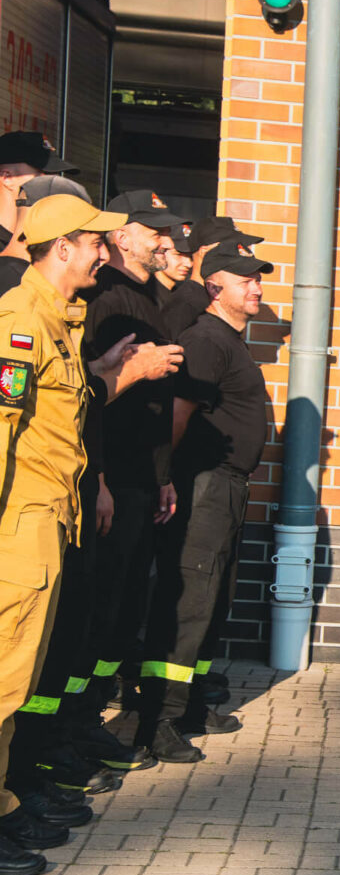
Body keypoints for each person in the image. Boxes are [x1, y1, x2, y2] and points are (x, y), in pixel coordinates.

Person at [0, 195, 126, 875]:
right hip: (16, 529)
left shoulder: (57, 324)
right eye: (94, 243)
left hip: (45, 523)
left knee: (15, 682)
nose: (103, 254)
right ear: (62, 247)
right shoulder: (19, 324)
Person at [135, 241, 270, 761]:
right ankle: (157, 722)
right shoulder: (207, 341)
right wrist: (165, 476)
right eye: (245, 281)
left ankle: (189, 706)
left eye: (258, 280)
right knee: (189, 602)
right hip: (205, 485)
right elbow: (177, 414)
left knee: (212, 600)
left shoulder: (229, 340)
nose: (256, 289)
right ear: (215, 288)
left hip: (228, 487)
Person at [79, 190, 189, 719]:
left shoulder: (150, 299)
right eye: (154, 232)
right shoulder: (104, 298)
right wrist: (96, 476)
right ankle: (77, 722)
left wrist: (163, 474)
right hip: (112, 475)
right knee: (101, 602)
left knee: (126, 603)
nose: (164, 241)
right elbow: (86, 399)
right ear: (122, 236)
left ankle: (100, 708)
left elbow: (156, 402)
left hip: (142, 473)